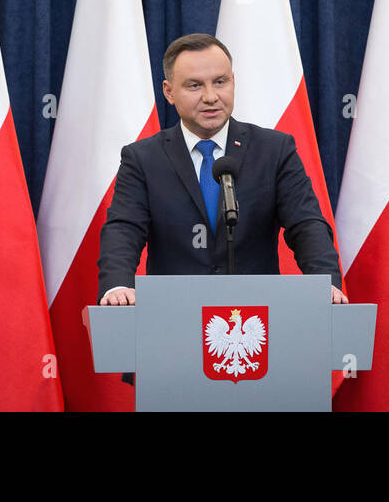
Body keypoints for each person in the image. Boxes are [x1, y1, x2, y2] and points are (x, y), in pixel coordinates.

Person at [98, 33, 346, 305]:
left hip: (256, 319)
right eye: (194, 86)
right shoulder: (143, 158)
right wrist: (117, 285)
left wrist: (325, 283)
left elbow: (306, 224)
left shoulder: (274, 150)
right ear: (169, 92)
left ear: (233, 82)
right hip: (173, 314)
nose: (210, 97)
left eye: (220, 82)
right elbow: (124, 228)